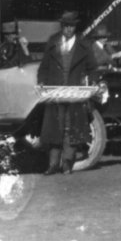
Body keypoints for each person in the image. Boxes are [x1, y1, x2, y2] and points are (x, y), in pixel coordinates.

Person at [37, 11, 98, 175]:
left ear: (75, 27)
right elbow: (44, 67)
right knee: (55, 128)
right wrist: (42, 82)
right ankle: (53, 164)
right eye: (66, 26)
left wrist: (92, 81)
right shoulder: (52, 42)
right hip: (55, 93)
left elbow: (93, 68)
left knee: (70, 128)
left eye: (71, 26)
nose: (68, 29)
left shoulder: (83, 45)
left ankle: (67, 165)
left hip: (75, 94)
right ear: (62, 26)